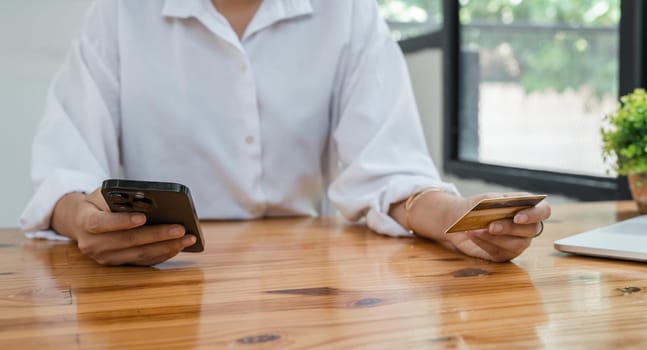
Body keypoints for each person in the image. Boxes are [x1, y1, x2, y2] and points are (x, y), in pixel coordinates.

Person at [20, 0, 551, 266]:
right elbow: (67, 171)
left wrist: (459, 222)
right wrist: (82, 221)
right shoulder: (119, 13)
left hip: (308, 279)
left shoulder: (346, 11)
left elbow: (392, 173)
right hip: (156, 276)